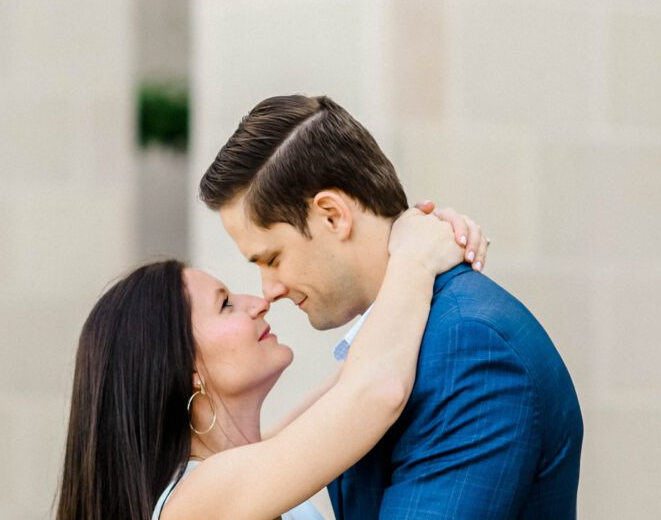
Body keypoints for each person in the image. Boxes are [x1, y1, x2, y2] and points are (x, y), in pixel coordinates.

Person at [198, 94, 583, 519]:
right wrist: (415, 255)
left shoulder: (470, 347)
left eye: (272, 259)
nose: (268, 291)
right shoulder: (401, 346)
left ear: (332, 215)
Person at [57, 205, 487, 519]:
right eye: (225, 304)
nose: (259, 302)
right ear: (185, 369)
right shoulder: (194, 500)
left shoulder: (252, 461)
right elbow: (375, 391)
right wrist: (416, 258)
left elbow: (354, 379)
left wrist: (406, 233)